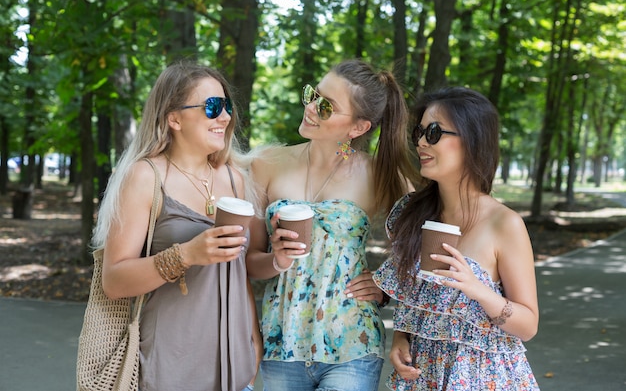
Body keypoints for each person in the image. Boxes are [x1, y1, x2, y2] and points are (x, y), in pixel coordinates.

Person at [246, 59, 419, 391]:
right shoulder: (266, 164)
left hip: (353, 343)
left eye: (326, 106)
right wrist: (275, 260)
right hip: (281, 343)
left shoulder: (376, 175)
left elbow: (421, 242)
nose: (311, 107)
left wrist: (385, 285)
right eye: (313, 95)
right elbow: (250, 262)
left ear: (358, 128)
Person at [92, 61, 262, 391]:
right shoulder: (145, 177)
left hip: (234, 369)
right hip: (170, 369)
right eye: (213, 106)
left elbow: (238, 273)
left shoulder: (234, 178)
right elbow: (113, 281)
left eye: (226, 106)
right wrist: (186, 254)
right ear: (174, 118)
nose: (225, 117)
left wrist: (253, 342)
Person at [373, 86, 540, 390]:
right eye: (419, 132)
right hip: (423, 377)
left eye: (434, 132)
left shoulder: (505, 224)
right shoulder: (410, 214)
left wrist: (479, 290)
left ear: (472, 141)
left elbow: (528, 325)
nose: (422, 141)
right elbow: (417, 301)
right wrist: (401, 338)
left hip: (484, 377)